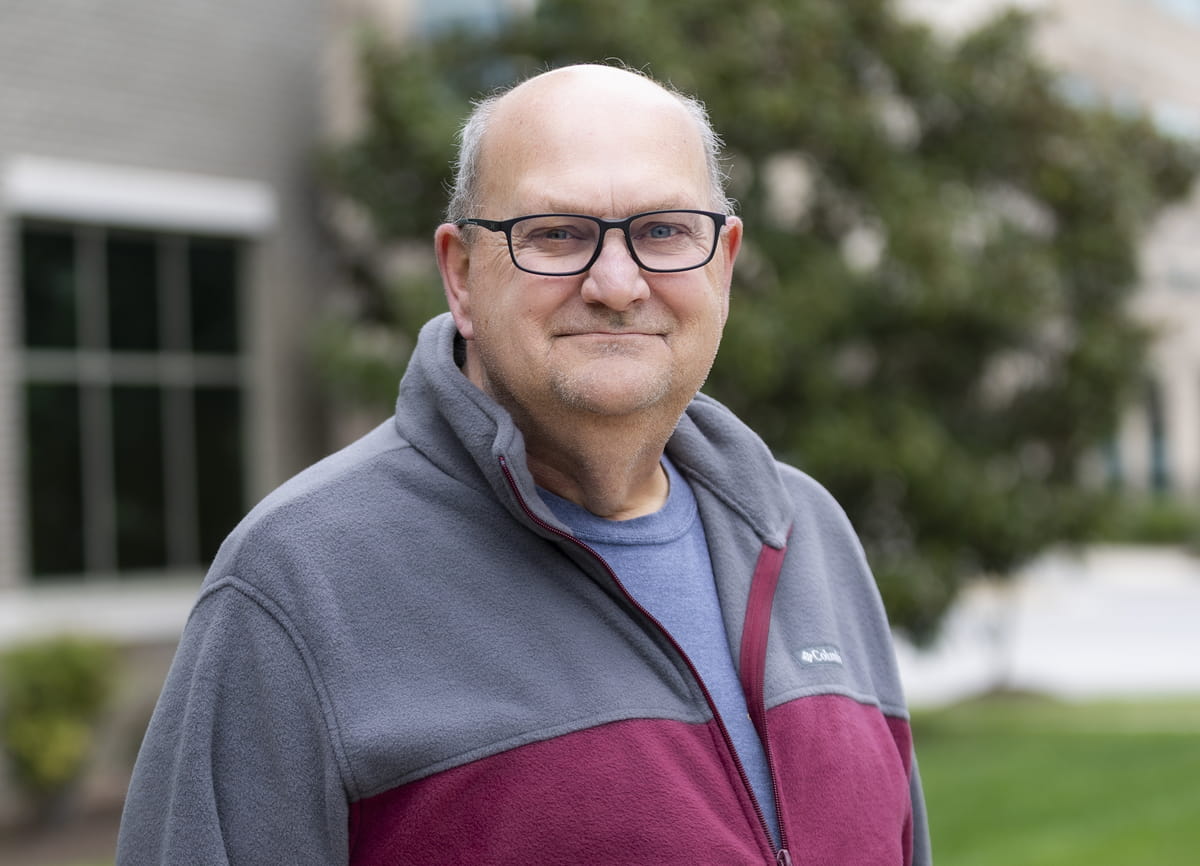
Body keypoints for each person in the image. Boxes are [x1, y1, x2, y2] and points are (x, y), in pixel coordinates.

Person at [117, 62, 931, 865]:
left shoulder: (806, 533)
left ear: (722, 262)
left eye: (663, 232)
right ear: (462, 275)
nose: (617, 284)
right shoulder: (298, 581)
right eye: (557, 234)